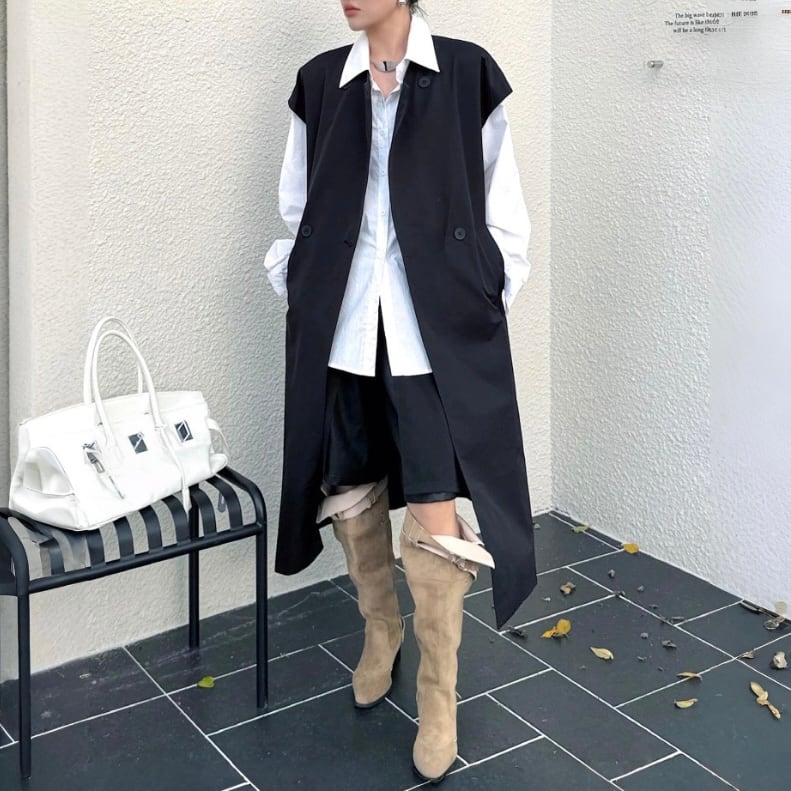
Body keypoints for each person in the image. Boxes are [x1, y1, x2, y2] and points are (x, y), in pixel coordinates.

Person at [264, 0, 537, 782]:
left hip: (428, 334)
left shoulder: (465, 73)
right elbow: (298, 205)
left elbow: (502, 207)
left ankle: (437, 694)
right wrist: (300, 283)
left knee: (433, 505)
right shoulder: (322, 82)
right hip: (345, 326)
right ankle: (379, 629)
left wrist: (482, 296)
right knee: (350, 488)